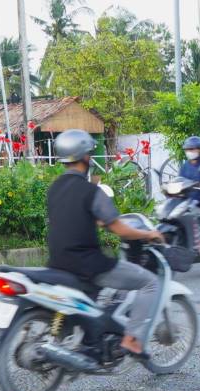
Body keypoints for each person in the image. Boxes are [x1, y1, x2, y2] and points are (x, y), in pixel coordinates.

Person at [45, 129, 164, 359]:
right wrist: (148, 234)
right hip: (88, 264)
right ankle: (131, 340)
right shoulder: (91, 191)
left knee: (100, 297)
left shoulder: (54, 189)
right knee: (149, 283)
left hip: (58, 263)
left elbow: (69, 219)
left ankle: (93, 338)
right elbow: (119, 229)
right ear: (87, 158)